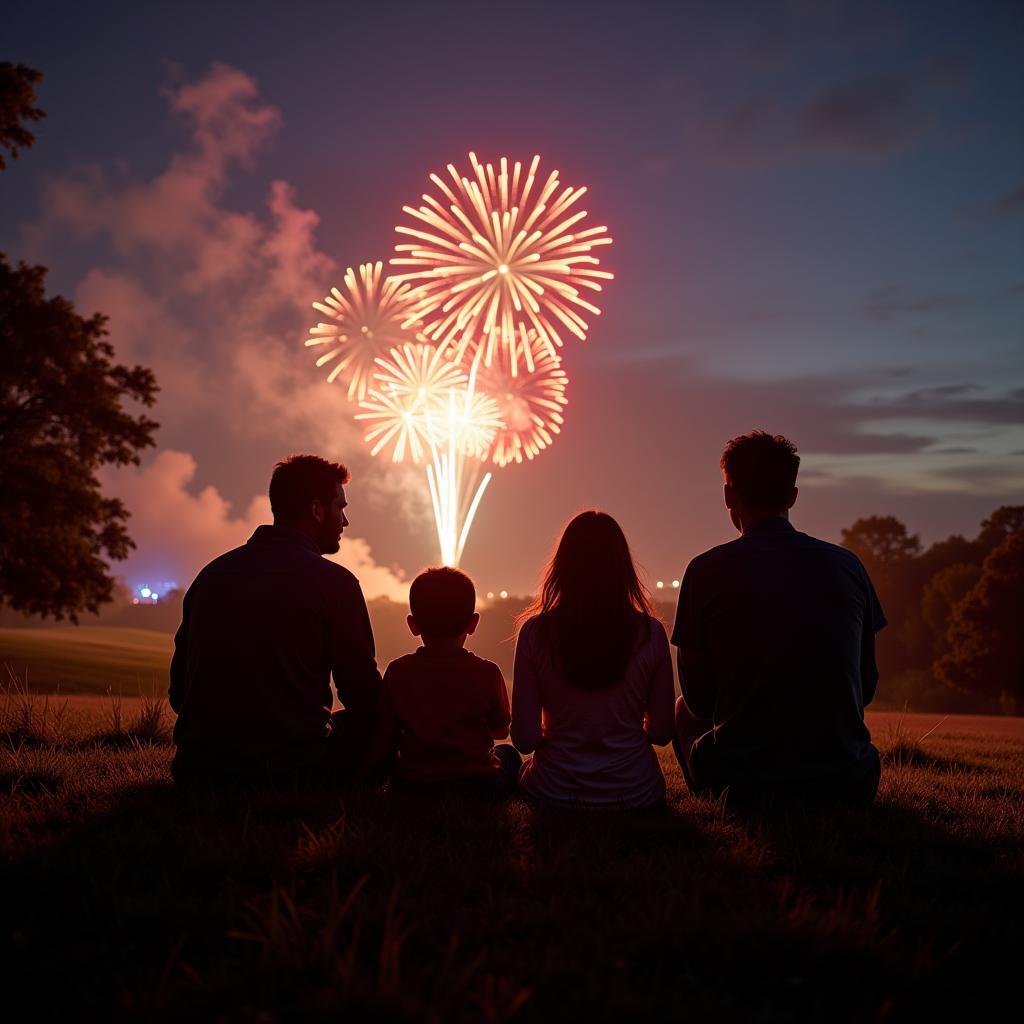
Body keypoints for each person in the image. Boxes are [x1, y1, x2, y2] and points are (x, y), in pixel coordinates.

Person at [672, 431, 885, 808]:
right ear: (792, 495)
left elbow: (699, 702)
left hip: (744, 786)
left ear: (728, 496)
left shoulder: (704, 572)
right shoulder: (848, 567)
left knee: (680, 710)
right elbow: (865, 686)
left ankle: (713, 798)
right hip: (848, 782)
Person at [169, 454, 381, 785]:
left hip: (199, 768)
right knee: (384, 722)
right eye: (340, 508)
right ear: (316, 509)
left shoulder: (211, 575)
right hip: (293, 768)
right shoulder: (336, 583)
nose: (345, 521)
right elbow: (363, 696)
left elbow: (179, 694)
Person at [511, 511, 676, 808]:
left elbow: (525, 739)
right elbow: (662, 733)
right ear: (623, 568)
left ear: (561, 568)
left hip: (553, 790)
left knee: (510, 762)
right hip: (637, 792)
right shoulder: (651, 634)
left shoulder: (535, 633)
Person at [364, 566, 520, 797]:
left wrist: (365, 775)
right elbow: (499, 731)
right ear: (473, 623)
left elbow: (387, 733)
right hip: (478, 785)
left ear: (412, 624)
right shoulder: (488, 672)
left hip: (414, 785)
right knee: (509, 754)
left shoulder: (398, 671)